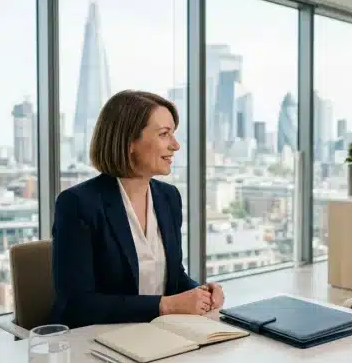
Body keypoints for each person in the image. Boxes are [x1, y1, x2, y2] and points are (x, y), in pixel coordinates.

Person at [49, 90, 223, 328]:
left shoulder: (168, 197)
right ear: (129, 141)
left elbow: (172, 277)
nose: (176, 145)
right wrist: (166, 306)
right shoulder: (78, 203)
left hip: (158, 335)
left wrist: (201, 292)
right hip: (96, 343)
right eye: (164, 134)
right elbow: (76, 305)